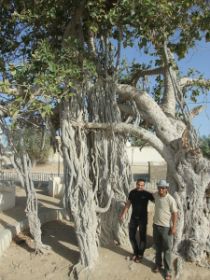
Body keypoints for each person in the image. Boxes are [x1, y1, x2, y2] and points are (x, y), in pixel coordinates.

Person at [119, 178, 154, 262]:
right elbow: (128, 204)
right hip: (133, 218)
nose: (140, 186)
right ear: (136, 184)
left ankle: (140, 254)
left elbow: (157, 201)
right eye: (138, 185)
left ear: (144, 185)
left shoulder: (147, 194)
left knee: (142, 237)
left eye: (142, 185)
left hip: (143, 219)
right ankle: (135, 252)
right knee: (131, 236)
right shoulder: (132, 192)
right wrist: (123, 214)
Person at [152, 179, 178, 280]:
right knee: (158, 248)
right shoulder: (156, 196)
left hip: (166, 228)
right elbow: (150, 195)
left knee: (167, 250)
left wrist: (174, 227)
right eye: (159, 187)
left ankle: (168, 271)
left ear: (166, 188)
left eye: (163, 188)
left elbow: (175, 214)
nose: (161, 189)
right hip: (155, 226)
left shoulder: (170, 199)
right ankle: (158, 265)